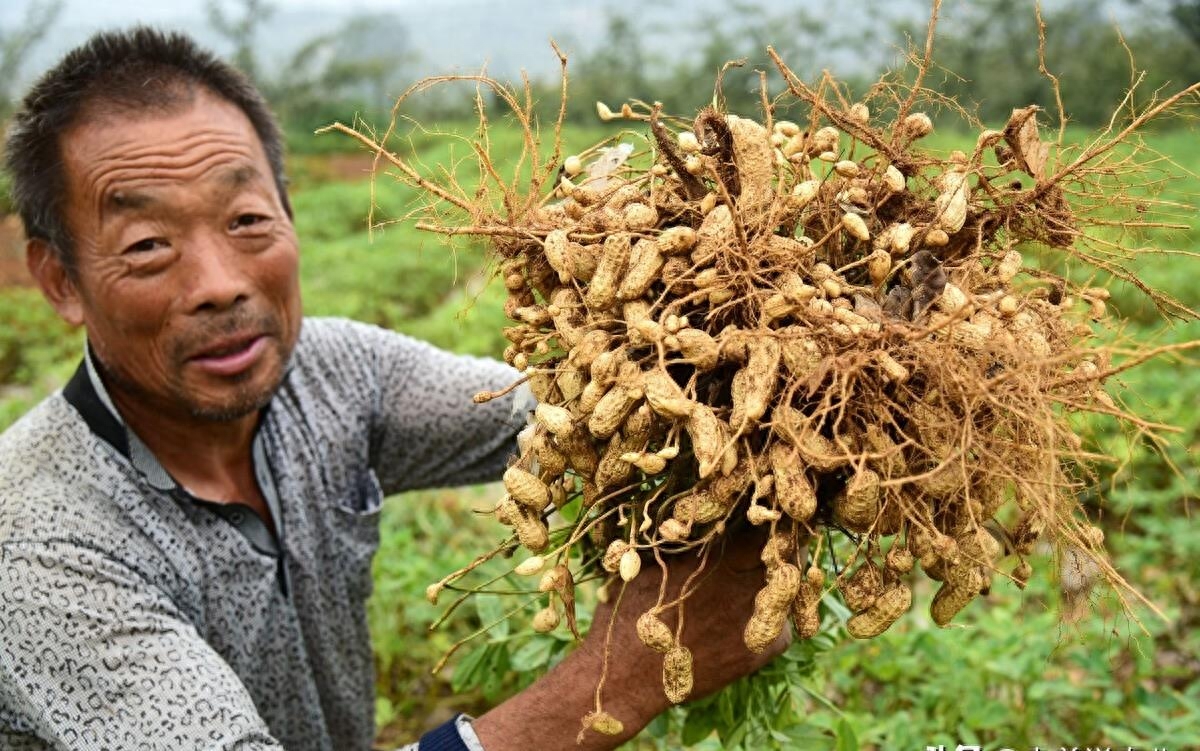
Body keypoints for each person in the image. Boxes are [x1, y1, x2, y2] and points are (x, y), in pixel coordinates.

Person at [0, 28, 786, 751]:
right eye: (147, 245)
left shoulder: (334, 371)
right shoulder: (35, 546)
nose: (219, 284)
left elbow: (552, 411)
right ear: (59, 279)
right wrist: (627, 673)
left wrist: (771, 353)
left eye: (245, 220)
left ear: (288, 213)